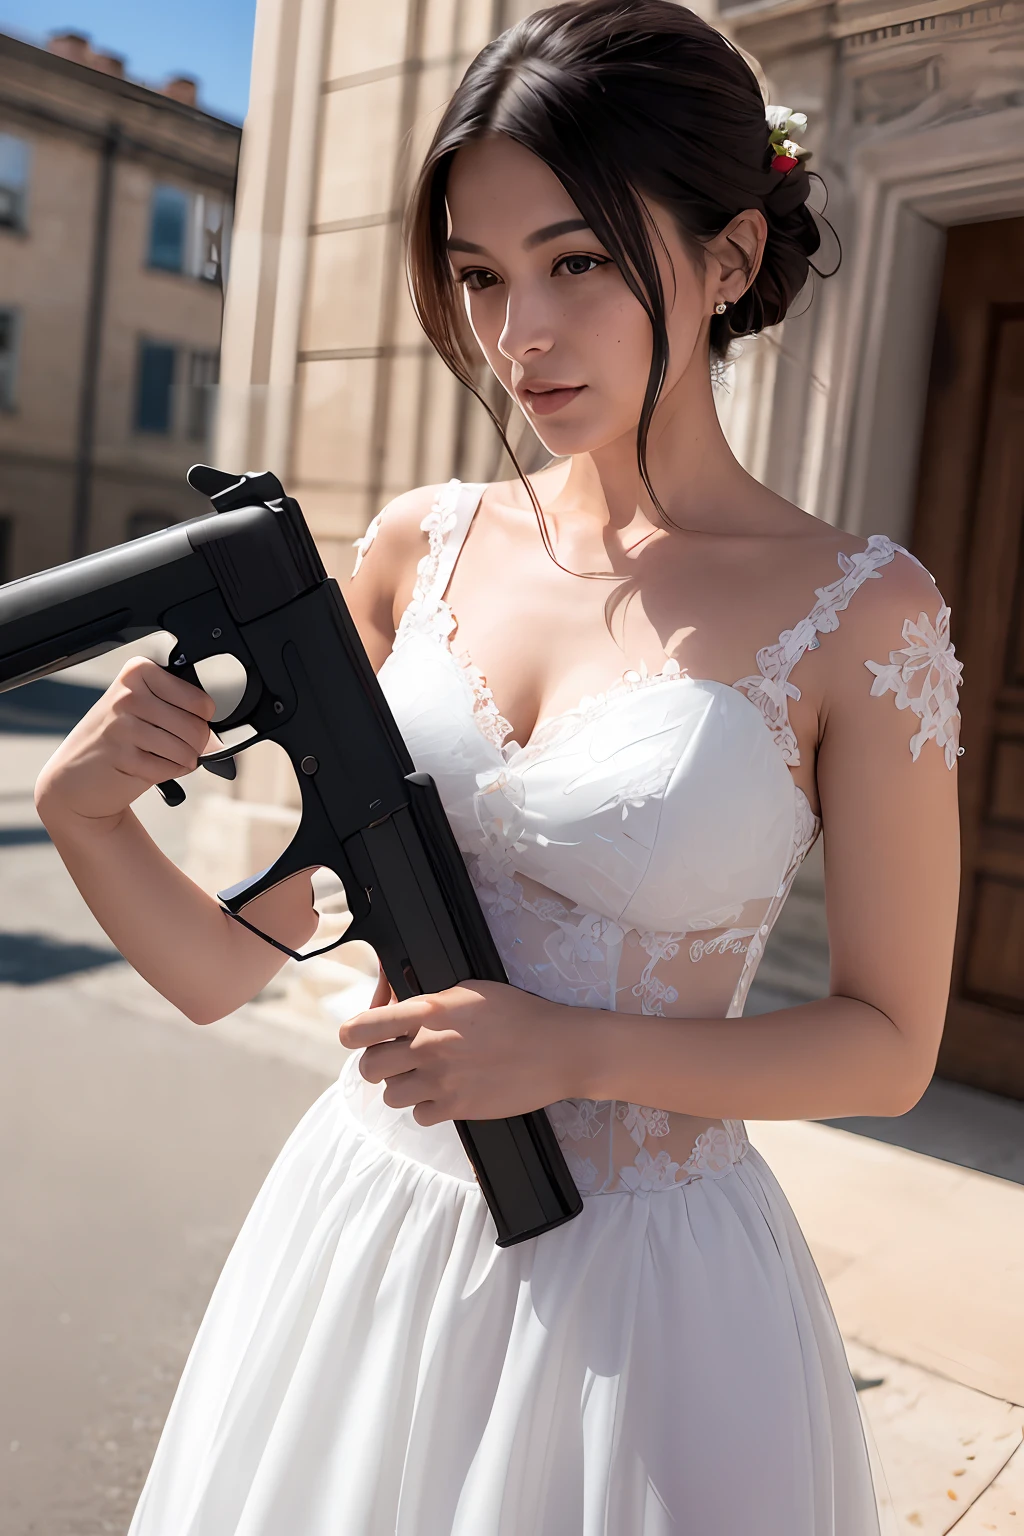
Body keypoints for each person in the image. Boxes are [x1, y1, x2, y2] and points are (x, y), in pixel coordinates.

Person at [35, 2, 963, 1530]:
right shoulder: (420, 542)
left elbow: (886, 1045)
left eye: (576, 261)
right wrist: (83, 812)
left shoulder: (863, 614)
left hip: (649, 1294)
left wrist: (574, 1052)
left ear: (729, 260)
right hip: (371, 1228)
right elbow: (223, 967)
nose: (518, 334)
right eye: (479, 275)